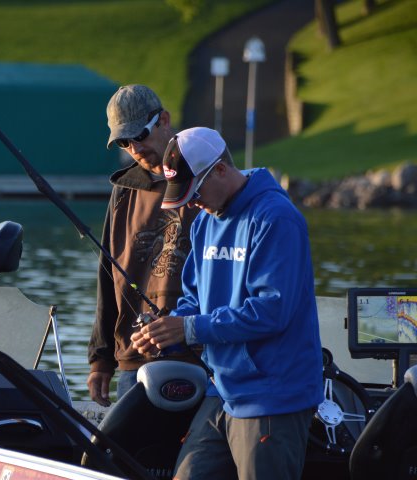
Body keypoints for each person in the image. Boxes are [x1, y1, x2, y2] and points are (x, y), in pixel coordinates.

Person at [131, 127, 324, 479]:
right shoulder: (205, 222)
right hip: (221, 390)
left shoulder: (276, 218)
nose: (191, 203)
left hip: (272, 395)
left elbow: (271, 311)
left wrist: (188, 328)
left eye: (195, 192)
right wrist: (165, 331)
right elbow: (194, 299)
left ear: (220, 169)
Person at [86, 85, 201, 407]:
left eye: (139, 135)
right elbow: (107, 276)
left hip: (202, 358)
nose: (134, 148)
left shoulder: (206, 179)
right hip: (133, 360)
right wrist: (101, 358)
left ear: (164, 120)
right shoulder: (123, 191)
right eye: (124, 142)